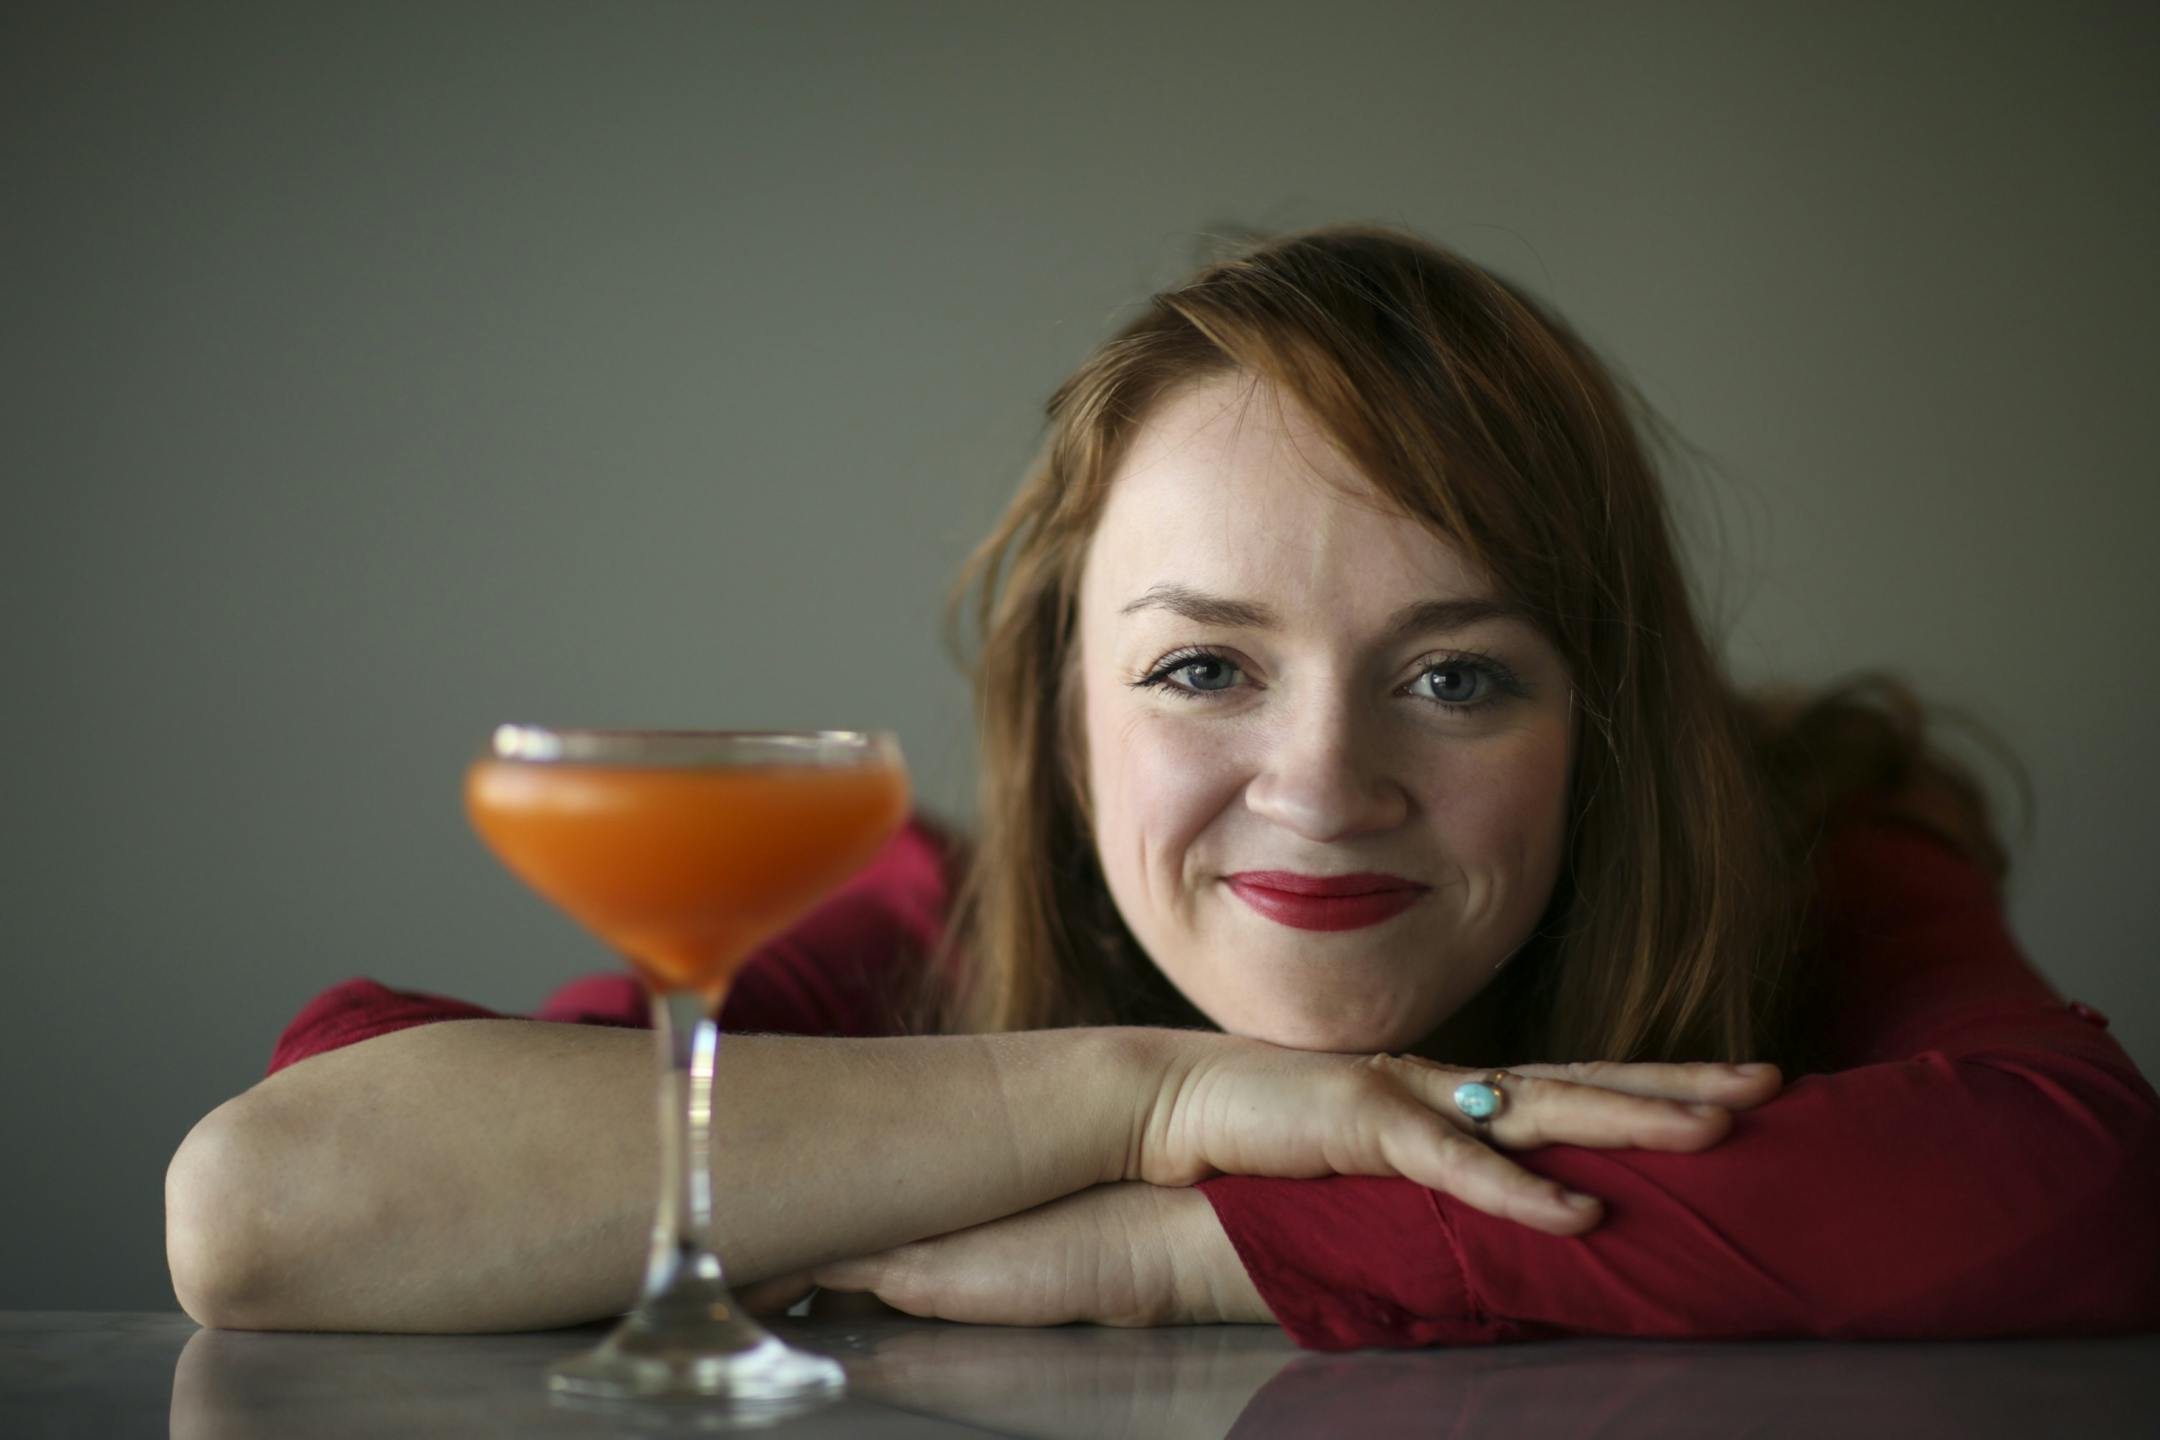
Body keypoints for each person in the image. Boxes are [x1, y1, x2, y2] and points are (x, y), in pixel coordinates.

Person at [164, 224, 2160, 1348]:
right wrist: (1153, 1095)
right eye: (1206, 666)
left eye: (1457, 676)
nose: (1323, 779)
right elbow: (277, 1203)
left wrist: (1200, 1239)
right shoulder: (931, 933)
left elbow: (2086, 1180)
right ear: (1063, 710)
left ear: (1613, 723)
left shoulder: (1814, 847)